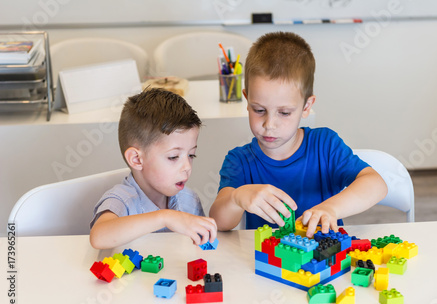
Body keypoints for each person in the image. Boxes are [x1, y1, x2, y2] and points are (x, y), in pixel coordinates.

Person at [209, 31, 387, 238]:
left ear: (306, 107)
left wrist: (331, 209)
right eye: (259, 110)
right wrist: (236, 197)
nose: (269, 124)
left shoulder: (326, 146)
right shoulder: (239, 161)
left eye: (284, 113)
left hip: (325, 261)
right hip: (266, 265)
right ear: (247, 100)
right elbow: (220, 223)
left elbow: (376, 184)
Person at [89, 88, 217, 249]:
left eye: (191, 155)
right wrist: (165, 217)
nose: (187, 167)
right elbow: (99, 237)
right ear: (136, 159)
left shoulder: (189, 200)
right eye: (173, 157)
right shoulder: (122, 200)